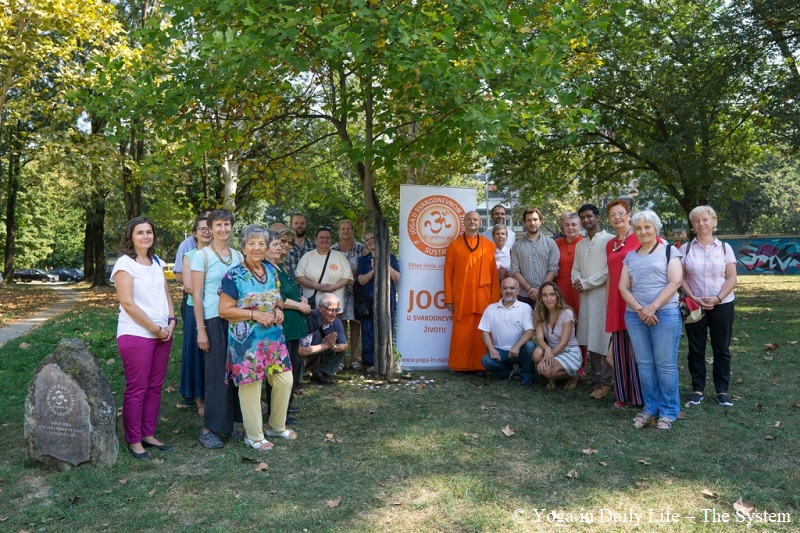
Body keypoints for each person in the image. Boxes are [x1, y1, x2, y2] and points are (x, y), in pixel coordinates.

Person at [219, 225, 295, 451]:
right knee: (251, 385)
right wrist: (254, 314)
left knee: (285, 380)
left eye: (261, 243)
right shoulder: (233, 275)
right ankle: (254, 436)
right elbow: (224, 310)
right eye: (252, 243)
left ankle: (276, 426)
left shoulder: (271, 271)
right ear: (243, 247)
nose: (257, 247)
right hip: (246, 343)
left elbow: (277, 299)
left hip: (273, 338)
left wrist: (279, 310)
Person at [111, 217, 176, 461]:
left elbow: (166, 293)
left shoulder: (157, 261)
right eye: (140, 232)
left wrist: (171, 321)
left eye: (149, 232)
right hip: (136, 334)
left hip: (163, 333)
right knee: (137, 388)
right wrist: (154, 329)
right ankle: (134, 440)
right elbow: (127, 303)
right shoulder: (124, 264)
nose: (146, 236)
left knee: (155, 386)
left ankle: (149, 434)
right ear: (130, 237)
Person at [619, 210, 683, 430]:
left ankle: (669, 411)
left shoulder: (669, 251)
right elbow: (623, 287)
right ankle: (650, 407)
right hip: (636, 316)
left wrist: (652, 307)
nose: (643, 231)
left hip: (664, 314)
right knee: (645, 364)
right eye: (638, 228)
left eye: (647, 227)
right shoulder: (631, 256)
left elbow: (675, 282)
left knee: (665, 364)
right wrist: (640, 310)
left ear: (656, 228)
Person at [191, 209, 244, 449]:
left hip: (236, 319)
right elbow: (198, 295)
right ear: (210, 229)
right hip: (213, 319)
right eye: (218, 225)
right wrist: (201, 329)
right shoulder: (200, 256)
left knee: (234, 374)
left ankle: (227, 426)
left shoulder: (237, 256)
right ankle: (208, 429)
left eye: (226, 224)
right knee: (215, 375)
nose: (223, 229)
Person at [680, 205, 737, 408]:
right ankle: (697, 389)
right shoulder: (685, 249)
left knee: (721, 349)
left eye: (705, 219)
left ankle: (722, 391)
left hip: (722, 304)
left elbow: (732, 277)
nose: (701, 224)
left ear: (714, 222)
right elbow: (681, 278)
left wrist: (718, 298)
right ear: (693, 225)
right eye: (696, 221)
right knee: (696, 349)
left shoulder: (724, 248)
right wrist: (693, 297)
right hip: (694, 306)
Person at [444, 211, 500, 372]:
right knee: (462, 331)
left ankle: (480, 366)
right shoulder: (454, 246)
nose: (472, 222)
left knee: (481, 330)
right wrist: (449, 298)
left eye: (475, 219)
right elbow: (448, 274)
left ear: (480, 222)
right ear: (464, 222)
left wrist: (495, 300)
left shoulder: (489, 245)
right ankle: (459, 365)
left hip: (483, 296)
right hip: (461, 296)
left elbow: (493, 275)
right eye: (469, 219)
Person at [571, 204, 614, 399]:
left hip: (603, 295)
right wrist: (577, 281)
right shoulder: (580, 244)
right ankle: (597, 377)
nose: (586, 220)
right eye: (583, 217)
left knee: (603, 336)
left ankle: (606, 381)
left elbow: (609, 271)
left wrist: (586, 283)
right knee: (591, 334)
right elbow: (575, 268)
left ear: (597, 217)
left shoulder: (610, 240)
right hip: (586, 296)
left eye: (589, 216)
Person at [605, 199, 644, 409]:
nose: (617, 217)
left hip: (635, 298)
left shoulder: (640, 237)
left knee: (637, 348)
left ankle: (639, 396)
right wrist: (607, 301)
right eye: (613, 215)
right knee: (619, 349)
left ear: (629, 215)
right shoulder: (610, 244)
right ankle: (621, 394)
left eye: (621, 213)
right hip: (615, 300)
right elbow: (611, 273)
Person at [268, 228, 310, 413]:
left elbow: (289, 291)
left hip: (293, 325)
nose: (280, 248)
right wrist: (299, 306)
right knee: (280, 370)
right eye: (276, 244)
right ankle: (277, 409)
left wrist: (302, 299)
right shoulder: (267, 268)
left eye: (282, 244)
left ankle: (286, 405)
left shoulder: (281, 266)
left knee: (291, 366)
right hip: (283, 325)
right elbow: (278, 299)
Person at [178, 216, 212, 414]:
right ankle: (200, 399)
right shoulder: (189, 255)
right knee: (197, 354)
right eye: (202, 229)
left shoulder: (219, 254)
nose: (206, 232)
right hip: (195, 308)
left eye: (209, 228)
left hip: (217, 310)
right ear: (194, 233)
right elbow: (189, 287)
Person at [479, 277, 535, 387]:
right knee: (486, 361)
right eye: (505, 288)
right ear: (500, 290)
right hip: (500, 352)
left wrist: (517, 346)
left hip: (519, 350)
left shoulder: (525, 308)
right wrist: (492, 350)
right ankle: (508, 373)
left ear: (518, 291)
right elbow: (484, 332)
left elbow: (530, 331)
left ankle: (526, 378)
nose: (508, 291)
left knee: (530, 346)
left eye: (512, 288)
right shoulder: (491, 309)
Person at [357, 230, 401, 371]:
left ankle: (386, 361)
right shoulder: (363, 260)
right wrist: (373, 270)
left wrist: (383, 263)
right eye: (367, 239)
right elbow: (361, 280)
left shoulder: (391, 257)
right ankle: (370, 363)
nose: (369, 241)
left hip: (386, 302)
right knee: (367, 332)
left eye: (372, 238)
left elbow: (397, 277)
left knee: (385, 330)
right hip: (368, 303)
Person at [295, 226, 353, 321]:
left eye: (327, 238)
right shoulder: (307, 257)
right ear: (316, 239)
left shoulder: (339, 256)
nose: (324, 240)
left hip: (334, 307)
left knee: (335, 333)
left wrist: (334, 287)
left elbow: (347, 276)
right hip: (312, 305)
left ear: (331, 240)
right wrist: (315, 285)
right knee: (314, 334)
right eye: (321, 237)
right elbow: (299, 276)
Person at [532, 281, 581, 390]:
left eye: (552, 294)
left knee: (546, 371)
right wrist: (547, 349)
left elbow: (564, 343)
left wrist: (545, 358)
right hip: (552, 350)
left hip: (569, 351)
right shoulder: (540, 313)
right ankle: (551, 380)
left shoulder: (567, 312)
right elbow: (539, 338)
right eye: (544, 295)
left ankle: (574, 374)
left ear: (557, 296)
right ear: (541, 298)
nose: (548, 299)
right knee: (536, 353)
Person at [510, 207, 560, 307]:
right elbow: (514, 270)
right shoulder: (517, 246)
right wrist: (529, 289)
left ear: (540, 221)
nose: (532, 223)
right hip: (524, 295)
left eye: (535, 219)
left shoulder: (551, 243)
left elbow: (553, 268)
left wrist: (541, 290)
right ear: (524, 223)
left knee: (546, 322)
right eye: (529, 220)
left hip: (547, 296)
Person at [331, 219, 364, 370]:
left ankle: (354, 359)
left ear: (352, 230)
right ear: (339, 231)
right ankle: (342, 360)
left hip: (357, 290)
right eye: (342, 229)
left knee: (356, 324)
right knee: (341, 324)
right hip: (339, 290)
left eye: (348, 228)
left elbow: (363, 267)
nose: (345, 231)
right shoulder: (333, 249)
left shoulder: (361, 248)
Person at [299, 293, 349, 384]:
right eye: (330, 310)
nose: (334, 314)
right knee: (297, 355)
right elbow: (302, 350)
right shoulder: (310, 319)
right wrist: (326, 345)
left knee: (340, 349)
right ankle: (297, 380)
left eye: (336, 310)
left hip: (318, 347)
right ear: (320, 308)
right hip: (300, 350)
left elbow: (344, 345)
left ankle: (321, 373)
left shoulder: (336, 321)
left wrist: (333, 346)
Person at [174, 210, 211, 319]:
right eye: (203, 228)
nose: (207, 231)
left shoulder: (220, 251)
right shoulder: (187, 247)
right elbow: (180, 277)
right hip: (193, 299)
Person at [553, 212, 583, 317]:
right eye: (567, 225)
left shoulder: (584, 243)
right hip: (559, 289)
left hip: (578, 290)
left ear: (580, 226)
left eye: (574, 225)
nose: (570, 227)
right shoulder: (557, 243)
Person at [285, 213, 316, 281]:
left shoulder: (314, 246)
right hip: (291, 286)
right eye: (296, 223)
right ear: (291, 225)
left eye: (302, 223)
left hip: (310, 287)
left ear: (306, 225)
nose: (299, 225)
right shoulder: (285, 246)